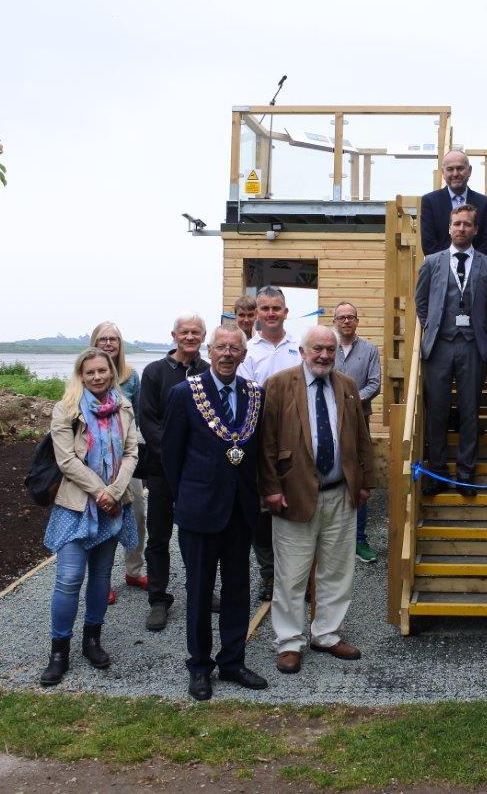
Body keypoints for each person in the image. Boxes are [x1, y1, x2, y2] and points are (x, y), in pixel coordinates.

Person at [258, 325, 377, 675]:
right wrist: (271, 488)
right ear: (302, 351)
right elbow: (265, 443)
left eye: (329, 349)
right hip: (293, 495)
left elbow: (362, 437)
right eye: (317, 349)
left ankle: (326, 634)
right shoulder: (279, 385)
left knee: (337, 571)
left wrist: (365, 482)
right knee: (291, 575)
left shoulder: (348, 386)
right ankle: (288, 642)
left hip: (340, 493)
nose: (324, 355)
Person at [161, 325, 267, 700]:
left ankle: (233, 662)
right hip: (199, 510)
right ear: (210, 351)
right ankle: (200, 667)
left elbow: (256, 452)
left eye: (234, 349)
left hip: (240, 510)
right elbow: (170, 456)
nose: (227, 354)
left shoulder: (255, 395)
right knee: (200, 592)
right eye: (221, 347)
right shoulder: (184, 394)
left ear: (243, 355)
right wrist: (189, 497)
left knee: (238, 590)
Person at [39, 348, 138, 687]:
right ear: (80, 375)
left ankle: (92, 640)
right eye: (90, 372)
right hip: (77, 506)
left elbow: (131, 452)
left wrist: (116, 491)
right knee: (68, 579)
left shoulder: (124, 407)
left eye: (102, 370)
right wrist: (101, 492)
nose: (97, 377)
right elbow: (66, 460)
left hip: (113, 505)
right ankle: (59, 652)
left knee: (100, 576)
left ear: (112, 372)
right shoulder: (66, 409)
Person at [415, 205, 487, 498]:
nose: (461, 228)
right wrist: (433, 326)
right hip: (439, 345)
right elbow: (421, 301)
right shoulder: (432, 262)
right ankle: (437, 472)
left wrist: (482, 333)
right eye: (457, 224)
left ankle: (466, 474)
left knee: (469, 411)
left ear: (475, 229)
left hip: (472, 345)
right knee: (437, 410)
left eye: (467, 224)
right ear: (449, 228)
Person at [139, 314, 209, 632]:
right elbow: (148, 420)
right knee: (159, 535)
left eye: (196, 332)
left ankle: (201, 591)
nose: (190, 337)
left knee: (198, 534)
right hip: (161, 468)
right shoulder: (154, 372)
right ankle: (158, 598)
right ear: (174, 335)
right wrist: (171, 455)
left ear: (203, 336)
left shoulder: (208, 371)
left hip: (197, 471)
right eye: (185, 332)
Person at [237, 285, 302, 600]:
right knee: (262, 513)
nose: (271, 314)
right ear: (257, 313)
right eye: (265, 308)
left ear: (285, 312)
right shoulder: (247, 350)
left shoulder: (299, 347)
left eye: (277, 308)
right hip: (259, 437)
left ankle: (297, 576)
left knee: (297, 505)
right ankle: (269, 574)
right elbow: (246, 394)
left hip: (297, 438)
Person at [90, 321, 148, 606]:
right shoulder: (85, 375)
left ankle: (134, 570)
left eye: (113, 339)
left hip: (127, 456)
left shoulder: (130, 377)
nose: (108, 343)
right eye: (103, 339)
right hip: (94, 460)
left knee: (137, 513)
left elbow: (138, 417)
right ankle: (101, 580)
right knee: (99, 517)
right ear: (94, 342)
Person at [332, 301, 382, 563]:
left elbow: (375, 384)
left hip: (359, 421)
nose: (346, 321)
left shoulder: (369, 350)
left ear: (357, 321)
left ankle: (359, 540)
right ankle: (332, 541)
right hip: (328, 420)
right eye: (341, 317)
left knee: (359, 478)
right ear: (334, 321)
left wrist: (350, 401)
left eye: (350, 316)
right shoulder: (328, 348)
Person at [420, 150, 487, 258]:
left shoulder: (484, 203)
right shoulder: (429, 202)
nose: (455, 174)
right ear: (443, 172)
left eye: (460, 168)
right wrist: (451, 263)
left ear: (469, 171)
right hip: (440, 267)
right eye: (450, 169)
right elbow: (429, 244)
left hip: (476, 267)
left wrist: (469, 263)